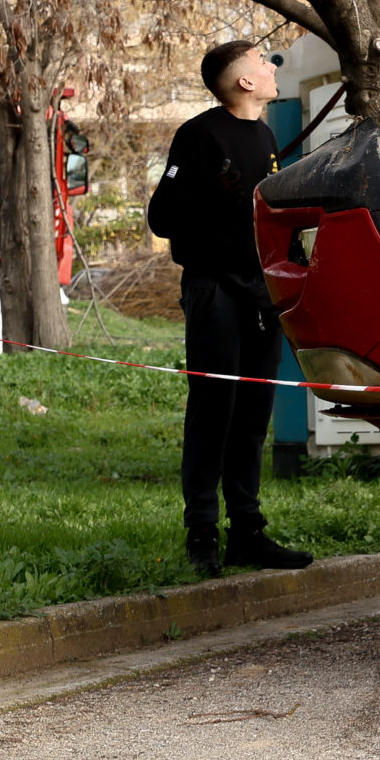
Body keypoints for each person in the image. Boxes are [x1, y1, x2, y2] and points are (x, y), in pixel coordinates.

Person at [146, 40, 313, 577]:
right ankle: (202, 533)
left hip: (259, 293)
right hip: (213, 290)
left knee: (253, 415)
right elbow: (160, 217)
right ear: (243, 81)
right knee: (213, 411)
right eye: (263, 61)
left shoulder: (264, 135)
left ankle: (247, 533)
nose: (271, 67)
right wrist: (208, 192)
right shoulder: (198, 135)